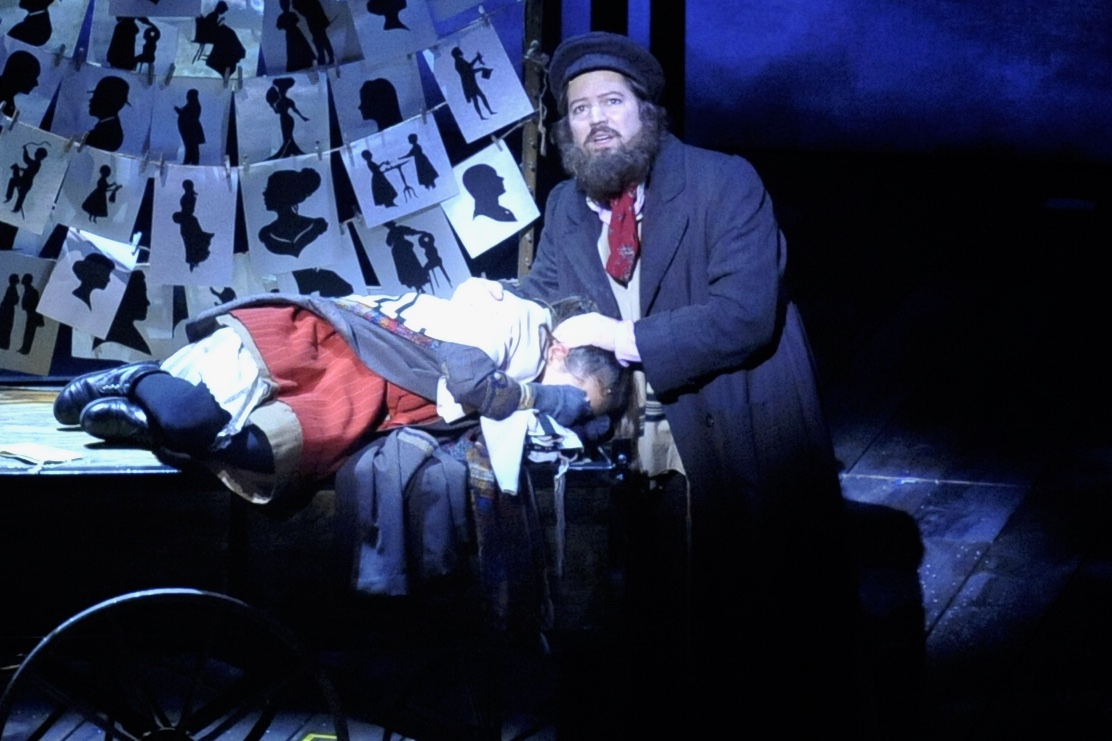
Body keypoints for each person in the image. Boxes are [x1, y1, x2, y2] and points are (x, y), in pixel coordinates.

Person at [458, 31, 858, 737]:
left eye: (612, 102)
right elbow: (549, 294)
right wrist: (499, 299)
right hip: (630, 433)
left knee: (743, 619)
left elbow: (745, 315)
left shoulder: (722, 182)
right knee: (636, 614)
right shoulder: (568, 204)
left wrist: (623, 336)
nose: (597, 120)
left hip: (728, 417)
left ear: (647, 111)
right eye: (580, 110)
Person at [52, 289, 629, 509]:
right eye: (574, 394)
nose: (567, 407)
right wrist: (549, 398)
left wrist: (584, 420)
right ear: (560, 352)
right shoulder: (519, 324)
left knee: (257, 455)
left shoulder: (526, 375)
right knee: (191, 419)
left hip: (361, 401)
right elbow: (470, 378)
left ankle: (142, 419)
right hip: (336, 350)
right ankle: (138, 381)